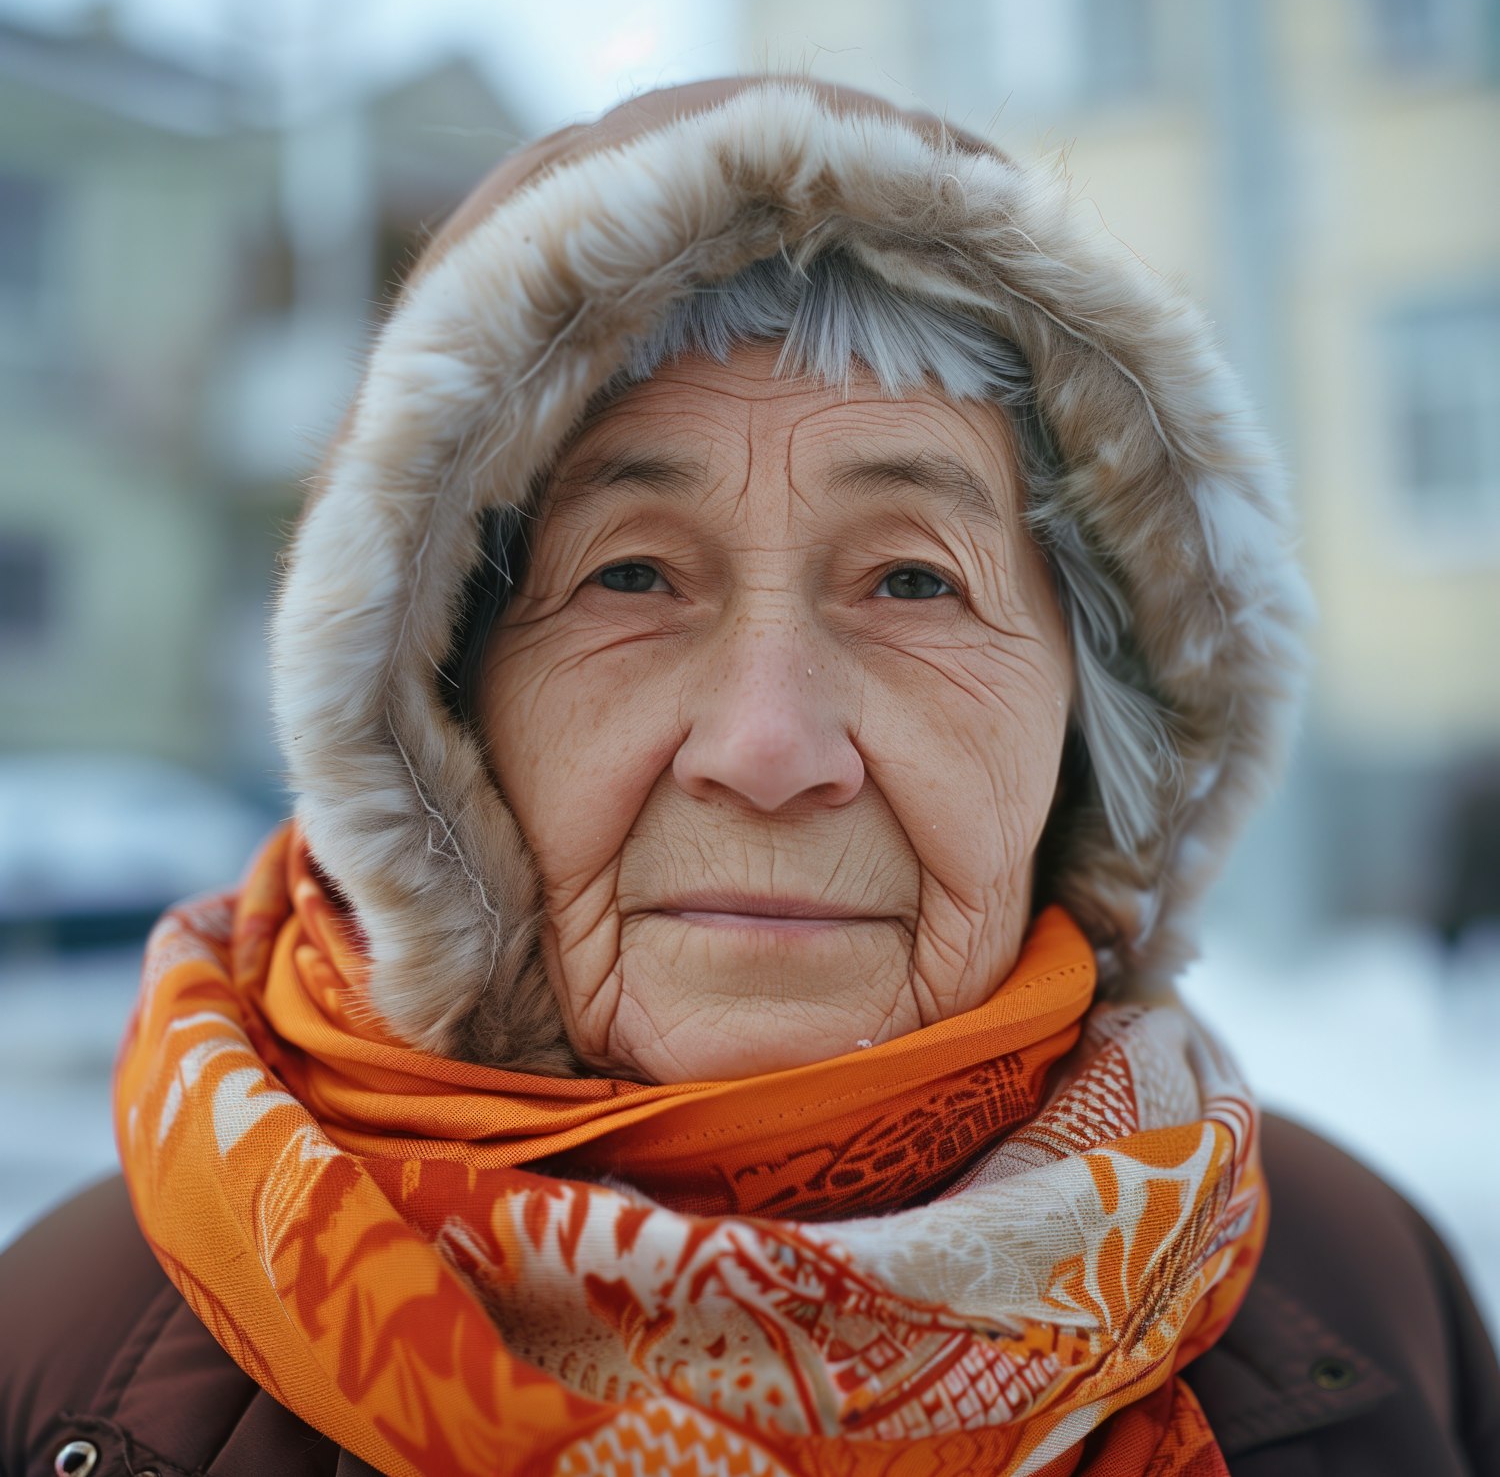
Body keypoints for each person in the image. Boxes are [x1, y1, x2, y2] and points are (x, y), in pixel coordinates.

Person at [2, 76, 1496, 1477]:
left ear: (1096, 722)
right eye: (632, 574)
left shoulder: (1358, 1291)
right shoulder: (69, 1361)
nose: (770, 750)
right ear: (438, 721)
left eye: (913, 583)